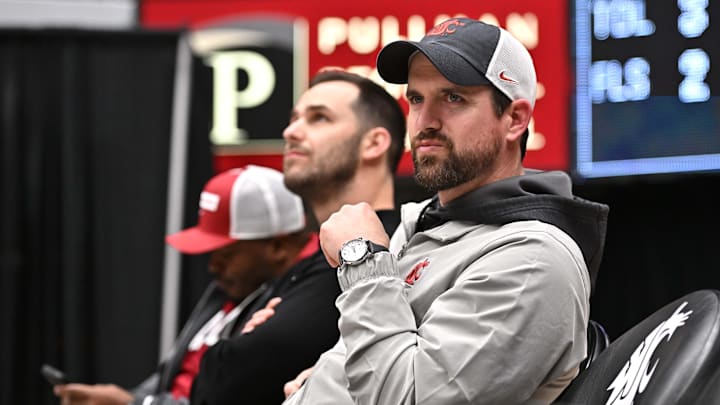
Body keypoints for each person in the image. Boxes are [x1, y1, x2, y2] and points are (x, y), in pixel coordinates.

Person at [282, 18, 610, 405]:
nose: (425, 121)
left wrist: (363, 261)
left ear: (515, 119)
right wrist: (322, 381)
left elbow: (411, 398)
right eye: (417, 99)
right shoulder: (425, 224)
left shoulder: (533, 260)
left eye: (453, 98)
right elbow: (380, 360)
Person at [188, 69, 407, 404]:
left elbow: (225, 384)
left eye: (319, 118)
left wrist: (233, 349)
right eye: (293, 119)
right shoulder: (315, 257)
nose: (291, 132)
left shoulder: (379, 249)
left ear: (375, 143)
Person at [53, 164, 322, 405]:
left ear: (277, 246)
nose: (212, 266)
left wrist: (135, 404)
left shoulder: (303, 303)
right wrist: (130, 398)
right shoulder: (231, 288)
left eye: (225, 254)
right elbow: (173, 376)